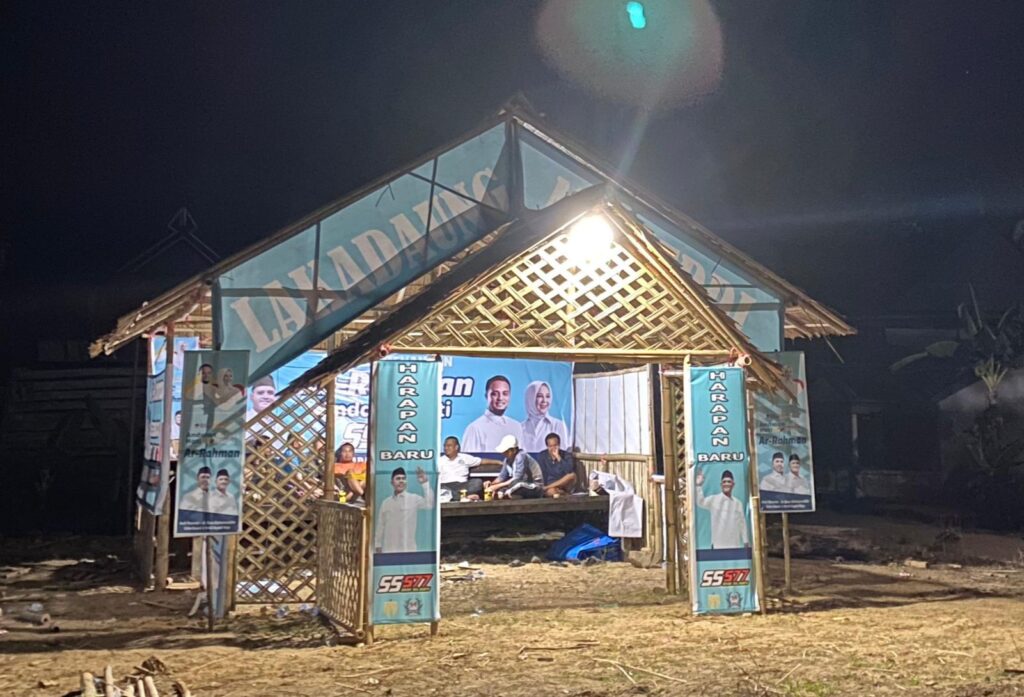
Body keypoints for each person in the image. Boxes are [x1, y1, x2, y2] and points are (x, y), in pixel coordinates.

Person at [374, 466, 434, 553]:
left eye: (403, 478)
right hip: (389, 549)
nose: (401, 481)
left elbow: (429, 504)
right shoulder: (386, 503)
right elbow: (380, 525)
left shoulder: (413, 499)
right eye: (398, 478)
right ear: (392, 482)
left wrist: (425, 483)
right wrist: (377, 544)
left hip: (408, 548)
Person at [461, 375, 523, 452]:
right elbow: (467, 458)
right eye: (495, 394)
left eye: (505, 393)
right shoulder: (475, 428)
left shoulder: (516, 426)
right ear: (486, 396)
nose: (500, 398)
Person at [694, 468, 750, 549]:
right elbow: (700, 502)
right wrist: (698, 486)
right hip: (718, 545)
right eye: (724, 482)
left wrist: (746, 541)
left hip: (734, 544)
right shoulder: (713, 499)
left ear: (733, 484)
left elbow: (742, 523)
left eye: (729, 482)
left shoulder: (738, 503)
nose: (726, 484)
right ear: (721, 484)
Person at [438, 436, 502, 501]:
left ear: (456, 447)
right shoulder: (439, 461)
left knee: (477, 482)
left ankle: (458, 497)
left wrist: (499, 462)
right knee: (442, 490)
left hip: (462, 486)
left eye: (449, 446)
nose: (446, 448)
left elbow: (482, 461)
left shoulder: (465, 458)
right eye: (445, 446)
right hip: (446, 486)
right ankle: (464, 497)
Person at [486, 435, 544, 499]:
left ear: (514, 450)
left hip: (534, 486)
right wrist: (492, 484)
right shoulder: (507, 460)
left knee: (516, 484)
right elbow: (501, 477)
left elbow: (517, 478)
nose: (504, 453)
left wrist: (496, 486)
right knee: (504, 488)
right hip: (517, 485)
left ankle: (506, 494)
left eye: (507, 451)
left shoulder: (521, 456)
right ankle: (504, 494)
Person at [520, 381, 570, 452]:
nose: (544, 400)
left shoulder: (558, 425)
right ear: (530, 398)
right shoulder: (520, 428)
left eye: (547, 396)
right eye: (539, 396)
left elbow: (563, 454)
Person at [536, 432, 576, 497]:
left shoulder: (566, 455)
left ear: (559, 445)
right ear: (547, 447)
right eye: (550, 446)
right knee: (551, 491)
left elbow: (569, 471)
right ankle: (563, 494)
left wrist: (558, 457)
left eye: (555, 445)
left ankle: (560, 492)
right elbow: (541, 473)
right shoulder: (542, 456)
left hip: (563, 484)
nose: (553, 448)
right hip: (550, 486)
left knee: (572, 475)